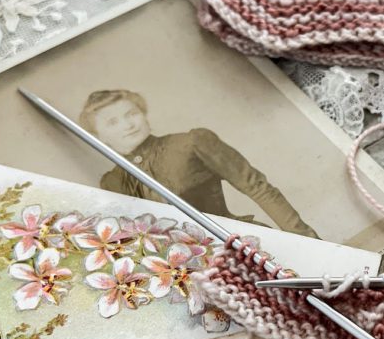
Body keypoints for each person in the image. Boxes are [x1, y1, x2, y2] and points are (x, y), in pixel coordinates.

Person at [80, 89, 319, 238]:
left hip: (242, 243)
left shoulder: (191, 142)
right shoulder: (112, 182)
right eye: (112, 122)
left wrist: (307, 242)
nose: (127, 125)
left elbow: (257, 187)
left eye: (131, 113)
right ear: (100, 137)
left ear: (143, 114)